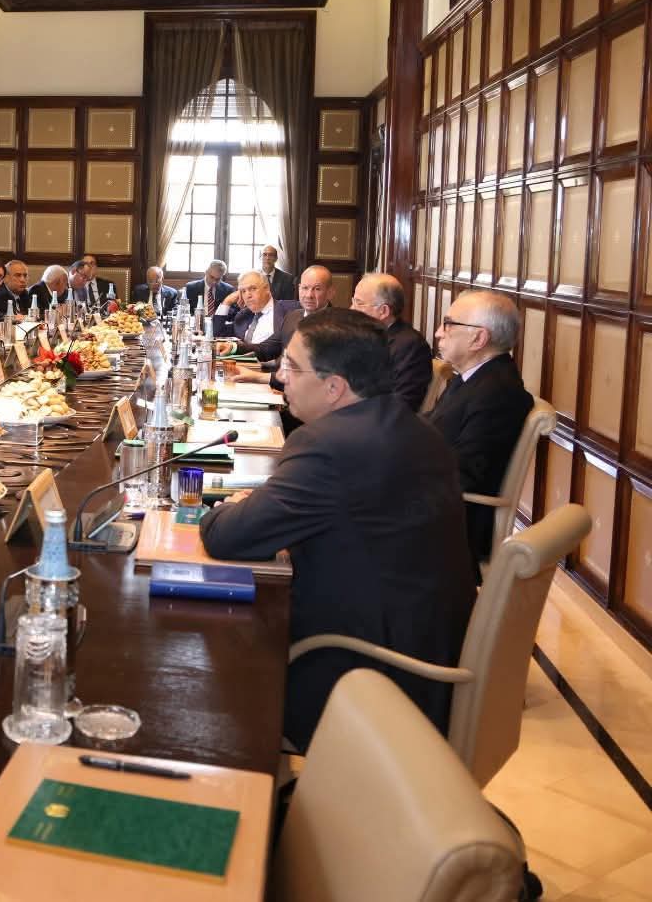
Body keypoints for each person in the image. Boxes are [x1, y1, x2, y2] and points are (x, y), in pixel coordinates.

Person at [200, 311, 474, 750]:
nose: (281, 378)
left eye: (292, 367)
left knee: (201, 651)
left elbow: (226, 537)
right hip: (421, 658)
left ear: (334, 387)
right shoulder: (415, 429)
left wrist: (228, 507)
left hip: (363, 676)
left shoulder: (329, 446)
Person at [428, 291, 535, 574]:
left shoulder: (498, 392)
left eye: (448, 324)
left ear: (478, 338)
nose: (438, 332)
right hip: (435, 502)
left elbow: (466, 473)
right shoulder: (472, 377)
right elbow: (431, 427)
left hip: (453, 525)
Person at [225, 265, 334, 388]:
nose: (309, 295)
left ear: (330, 293)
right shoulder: (293, 316)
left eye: (317, 289)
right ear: (299, 289)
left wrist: (259, 377)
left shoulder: (336, 328)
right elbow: (267, 348)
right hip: (279, 389)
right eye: (305, 288)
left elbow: (311, 377)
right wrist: (233, 347)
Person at [351, 272, 434, 411]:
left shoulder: (410, 346)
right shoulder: (362, 335)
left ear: (383, 311)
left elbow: (402, 402)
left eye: (359, 303)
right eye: (353, 301)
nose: (351, 309)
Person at [214, 271, 301, 362]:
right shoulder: (243, 315)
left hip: (272, 368)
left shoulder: (290, 310)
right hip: (240, 367)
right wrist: (227, 301)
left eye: (253, 289)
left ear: (267, 288)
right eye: (243, 291)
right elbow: (217, 334)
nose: (248, 295)